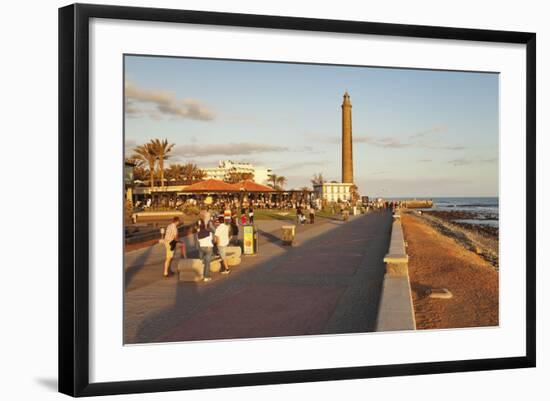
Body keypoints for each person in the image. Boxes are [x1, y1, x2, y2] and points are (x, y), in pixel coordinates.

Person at [196, 218, 214, 282]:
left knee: (201, 260)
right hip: (209, 247)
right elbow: (212, 240)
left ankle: (200, 273)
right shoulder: (209, 232)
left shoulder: (198, 233)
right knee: (207, 263)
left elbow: (198, 241)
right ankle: (206, 277)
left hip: (201, 248)